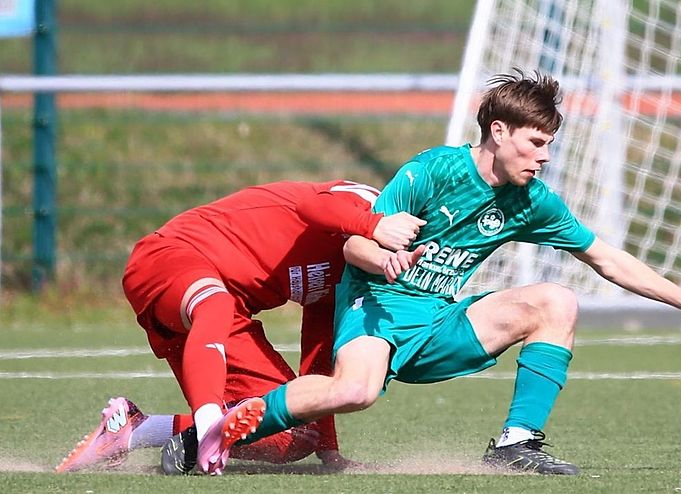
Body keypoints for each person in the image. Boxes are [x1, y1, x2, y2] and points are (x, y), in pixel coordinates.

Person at [208, 69, 681, 475]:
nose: (544, 156)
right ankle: (211, 434)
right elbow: (354, 243)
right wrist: (386, 257)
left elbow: (607, 258)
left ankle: (517, 443)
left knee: (556, 301)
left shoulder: (533, 201)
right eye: (536, 142)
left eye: (549, 145)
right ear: (499, 132)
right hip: (375, 311)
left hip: (439, 323)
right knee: (355, 391)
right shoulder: (432, 170)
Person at [55, 179, 424, 475]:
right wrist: (375, 225)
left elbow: (319, 352)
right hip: (171, 259)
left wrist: (328, 450)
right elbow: (312, 205)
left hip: (222, 318)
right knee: (215, 303)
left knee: (293, 435)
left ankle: (135, 431)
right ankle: (208, 425)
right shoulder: (370, 204)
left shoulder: (362, 279)